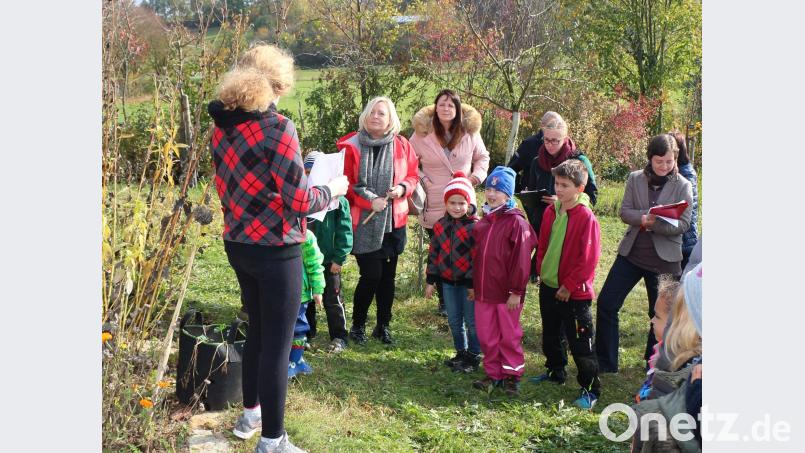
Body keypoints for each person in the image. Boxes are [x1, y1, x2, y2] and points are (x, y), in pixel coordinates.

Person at [208, 44, 349, 453]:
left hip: (238, 242)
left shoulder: (222, 126)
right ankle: (272, 440)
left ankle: (250, 412)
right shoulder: (278, 128)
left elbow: (236, 185)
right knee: (278, 343)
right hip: (276, 248)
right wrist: (332, 188)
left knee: (257, 331)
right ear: (274, 85)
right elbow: (301, 202)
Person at [595, 134, 693, 374]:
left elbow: (684, 224)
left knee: (659, 314)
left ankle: (653, 365)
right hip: (632, 254)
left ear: (675, 158)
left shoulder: (683, 185)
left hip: (665, 260)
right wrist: (642, 218)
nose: (664, 166)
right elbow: (625, 211)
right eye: (659, 161)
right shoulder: (635, 178)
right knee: (607, 303)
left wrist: (653, 224)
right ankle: (607, 363)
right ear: (650, 159)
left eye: (669, 161)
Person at [339, 96, 419, 345]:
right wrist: (369, 200)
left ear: (390, 119)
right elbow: (344, 184)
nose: (376, 116)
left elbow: (414, 175)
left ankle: (383, 325)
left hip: (394, 222)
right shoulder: (350, 145)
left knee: (388, 278)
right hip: (364, 221)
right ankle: (358, 325)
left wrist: (403, 188)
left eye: (381, 113)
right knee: (371, 275)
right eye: (372, 112)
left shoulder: (402, 145)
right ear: (365, 115)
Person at [410, 89, 490, 316]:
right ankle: (445, 302)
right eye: (442, 104)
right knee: (442, 248)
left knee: (466, 248)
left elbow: (482, 157)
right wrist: (423, 179)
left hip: (463, 197)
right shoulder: (421, 133)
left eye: (451, 105)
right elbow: (408, 160)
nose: (446, 109)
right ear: (435, 108)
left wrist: (475, 177)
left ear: (457, 110)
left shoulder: (470, 132)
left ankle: (467, 295)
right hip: (435, 198)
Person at [531, 159, 602, 409]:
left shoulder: (585, 217)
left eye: (564, 185)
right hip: (549, 286)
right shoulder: (552, 211)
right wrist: (540, 269)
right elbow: (543, 244)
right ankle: (555, 371)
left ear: (579, 189)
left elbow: (588, 259)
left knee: (580, 343)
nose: (558, 189)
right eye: (556, 183)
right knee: (551, 334)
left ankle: (590, 388)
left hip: (574, 294)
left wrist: (569, 286)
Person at [470, 166, 537, 396]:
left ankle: (512, 376)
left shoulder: (516, 223)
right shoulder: (484, 222)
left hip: (507, 294)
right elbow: (476, 258)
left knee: (508, 335)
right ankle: (493, 374)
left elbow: (521, 261)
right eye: (488, 188)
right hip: (483, 292)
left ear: (508, 195)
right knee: (487, 335)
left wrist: (516, 291)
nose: (491, 194)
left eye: (497, 190)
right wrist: (473, 286)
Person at [522, 113, 597, 281]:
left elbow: (591, 194)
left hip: (568, 222)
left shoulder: (579, 161)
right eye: (546, 140)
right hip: (540, 220)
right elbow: (532, 190)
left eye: (555, 140)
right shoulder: (537, 161)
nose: (550, 145)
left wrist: (564, 200)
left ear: (565, 138)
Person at [424, 172, 481, 373]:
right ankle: (461, 352)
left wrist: (473, 284)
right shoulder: (440, 225)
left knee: (471, 320)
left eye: (461, 203)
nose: (457, 207)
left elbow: (477, 259)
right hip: (447, 282)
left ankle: (474, 354)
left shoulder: (475, 227)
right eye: (452, 203)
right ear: (446, 203)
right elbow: (434, 253)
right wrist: (431, 280)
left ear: (469, 203)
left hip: (468, 284)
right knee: (454, 319)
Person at [303, 151, 354, 354]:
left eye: (312, 172)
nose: (309, 177)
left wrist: (339, 257)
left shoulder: (338, 202)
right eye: (306, 172)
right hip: (306, 260)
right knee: (306, 298)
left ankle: (339, 335)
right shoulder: (304, 199)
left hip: (329, 261)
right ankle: (307, 332)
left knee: (332, 299)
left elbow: (345, 231)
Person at [287, 230, 325, 379]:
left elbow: (314, 263)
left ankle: (296, 360)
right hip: (278, 292)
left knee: (298, 327)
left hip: (299, 294)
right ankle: (284, 359)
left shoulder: (305, 235)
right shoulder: (272, 233)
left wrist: (317, 288)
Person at [507, 111, 561, 193]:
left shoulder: (565, 148)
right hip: (533, 201)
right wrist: (519, 189)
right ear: (542, 125)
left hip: (560, 201)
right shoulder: (529, 144)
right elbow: (510, 169)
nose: (555, 128)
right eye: (551, 125)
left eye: (559, 125)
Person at [668, 131, 699, 270]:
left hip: (685, 241)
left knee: (678, 287)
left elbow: (685, 209)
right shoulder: (679, 170)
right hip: (677, 238)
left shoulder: (686, 174)